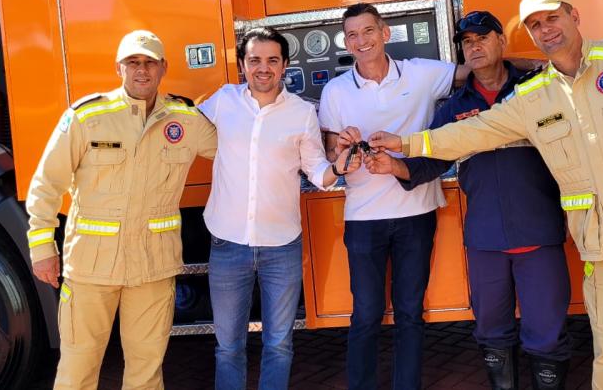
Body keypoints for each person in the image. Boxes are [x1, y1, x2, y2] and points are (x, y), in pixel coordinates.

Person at [369, 0, 603, 390]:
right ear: (529, 36)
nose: (546, 30)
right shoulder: (532, 97)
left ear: (574, 16)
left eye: (552, 18)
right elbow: (471, 133)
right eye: (535, 25)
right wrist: (405, 143)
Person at [364, 10, 571, 390]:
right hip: (485, 239)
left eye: (483, 38)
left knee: (547, 332)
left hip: (539, 230)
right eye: (467, 42)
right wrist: (393, 167)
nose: (474, 47)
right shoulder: (454, 107)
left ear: (501, 41)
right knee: (492, 330)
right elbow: (428, 162)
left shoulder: (536, 89)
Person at [25, 30, 217, 389]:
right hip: (91, 269)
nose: (141, 71)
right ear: (119, 68)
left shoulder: (186, 119)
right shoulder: (87, 117)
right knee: (77, 370)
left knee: (146, 372)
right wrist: (42, 248)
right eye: (133, 63)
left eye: (149, 63)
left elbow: (238, 146)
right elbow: (46, 183)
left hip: (152, 268)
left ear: (163, 68)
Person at [197, 27, 360, 390]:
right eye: (255, 60)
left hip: (281, 247)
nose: (263, 68)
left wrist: (338, 169)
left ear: (285, 65)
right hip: (227, 242)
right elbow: (186, 133)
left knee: (279, 344)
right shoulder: (223, 101)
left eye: (272, 60)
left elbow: (317, 172)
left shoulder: (302, 113)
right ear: (242, 65)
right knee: (227, 348)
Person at [318, 2, 462, 390]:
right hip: (363, 218)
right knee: (365, 314)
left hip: (417, 212)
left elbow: (478, 73)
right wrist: (343, 148)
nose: (361, 41)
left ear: (385, 33)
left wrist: (534, 68)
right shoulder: (335, 91)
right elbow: (332, 153)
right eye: (352, 35)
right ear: (346, 42)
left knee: (410, 312)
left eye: (368, 31)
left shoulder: (422, 73)